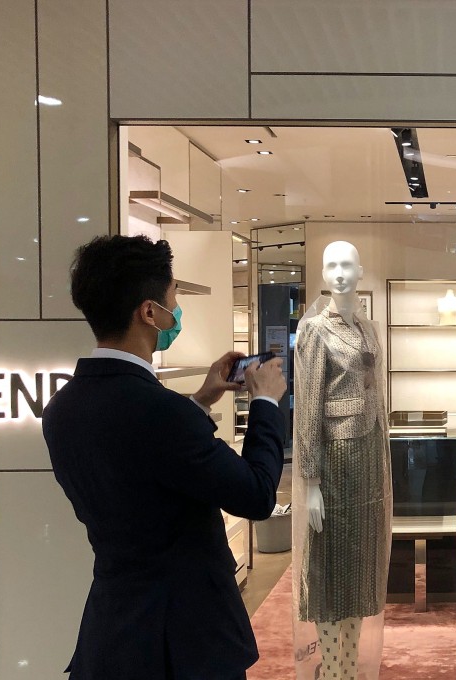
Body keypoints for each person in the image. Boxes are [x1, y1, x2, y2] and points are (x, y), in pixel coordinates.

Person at [42, 235, 288, 680]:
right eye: (174, 298)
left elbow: (144, 462)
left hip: (112, 634)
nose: (177, 311)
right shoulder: (160, 413)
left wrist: (201, 400)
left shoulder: (62, 409)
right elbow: (255, 496)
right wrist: (266, 404)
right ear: (150, 312)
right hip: (186, 643)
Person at [292, 240, 391, 680]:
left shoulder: (368, 328)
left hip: (368, 466)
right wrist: (310, 482)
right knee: (331, 573)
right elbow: (309, 408)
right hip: (333, 467)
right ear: (322, 274)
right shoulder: (315, 330)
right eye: (331, 265)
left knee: (359, 573)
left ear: (361, 271)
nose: (339, 273)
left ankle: (350, 668)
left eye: (346, 265)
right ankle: (332, 670)